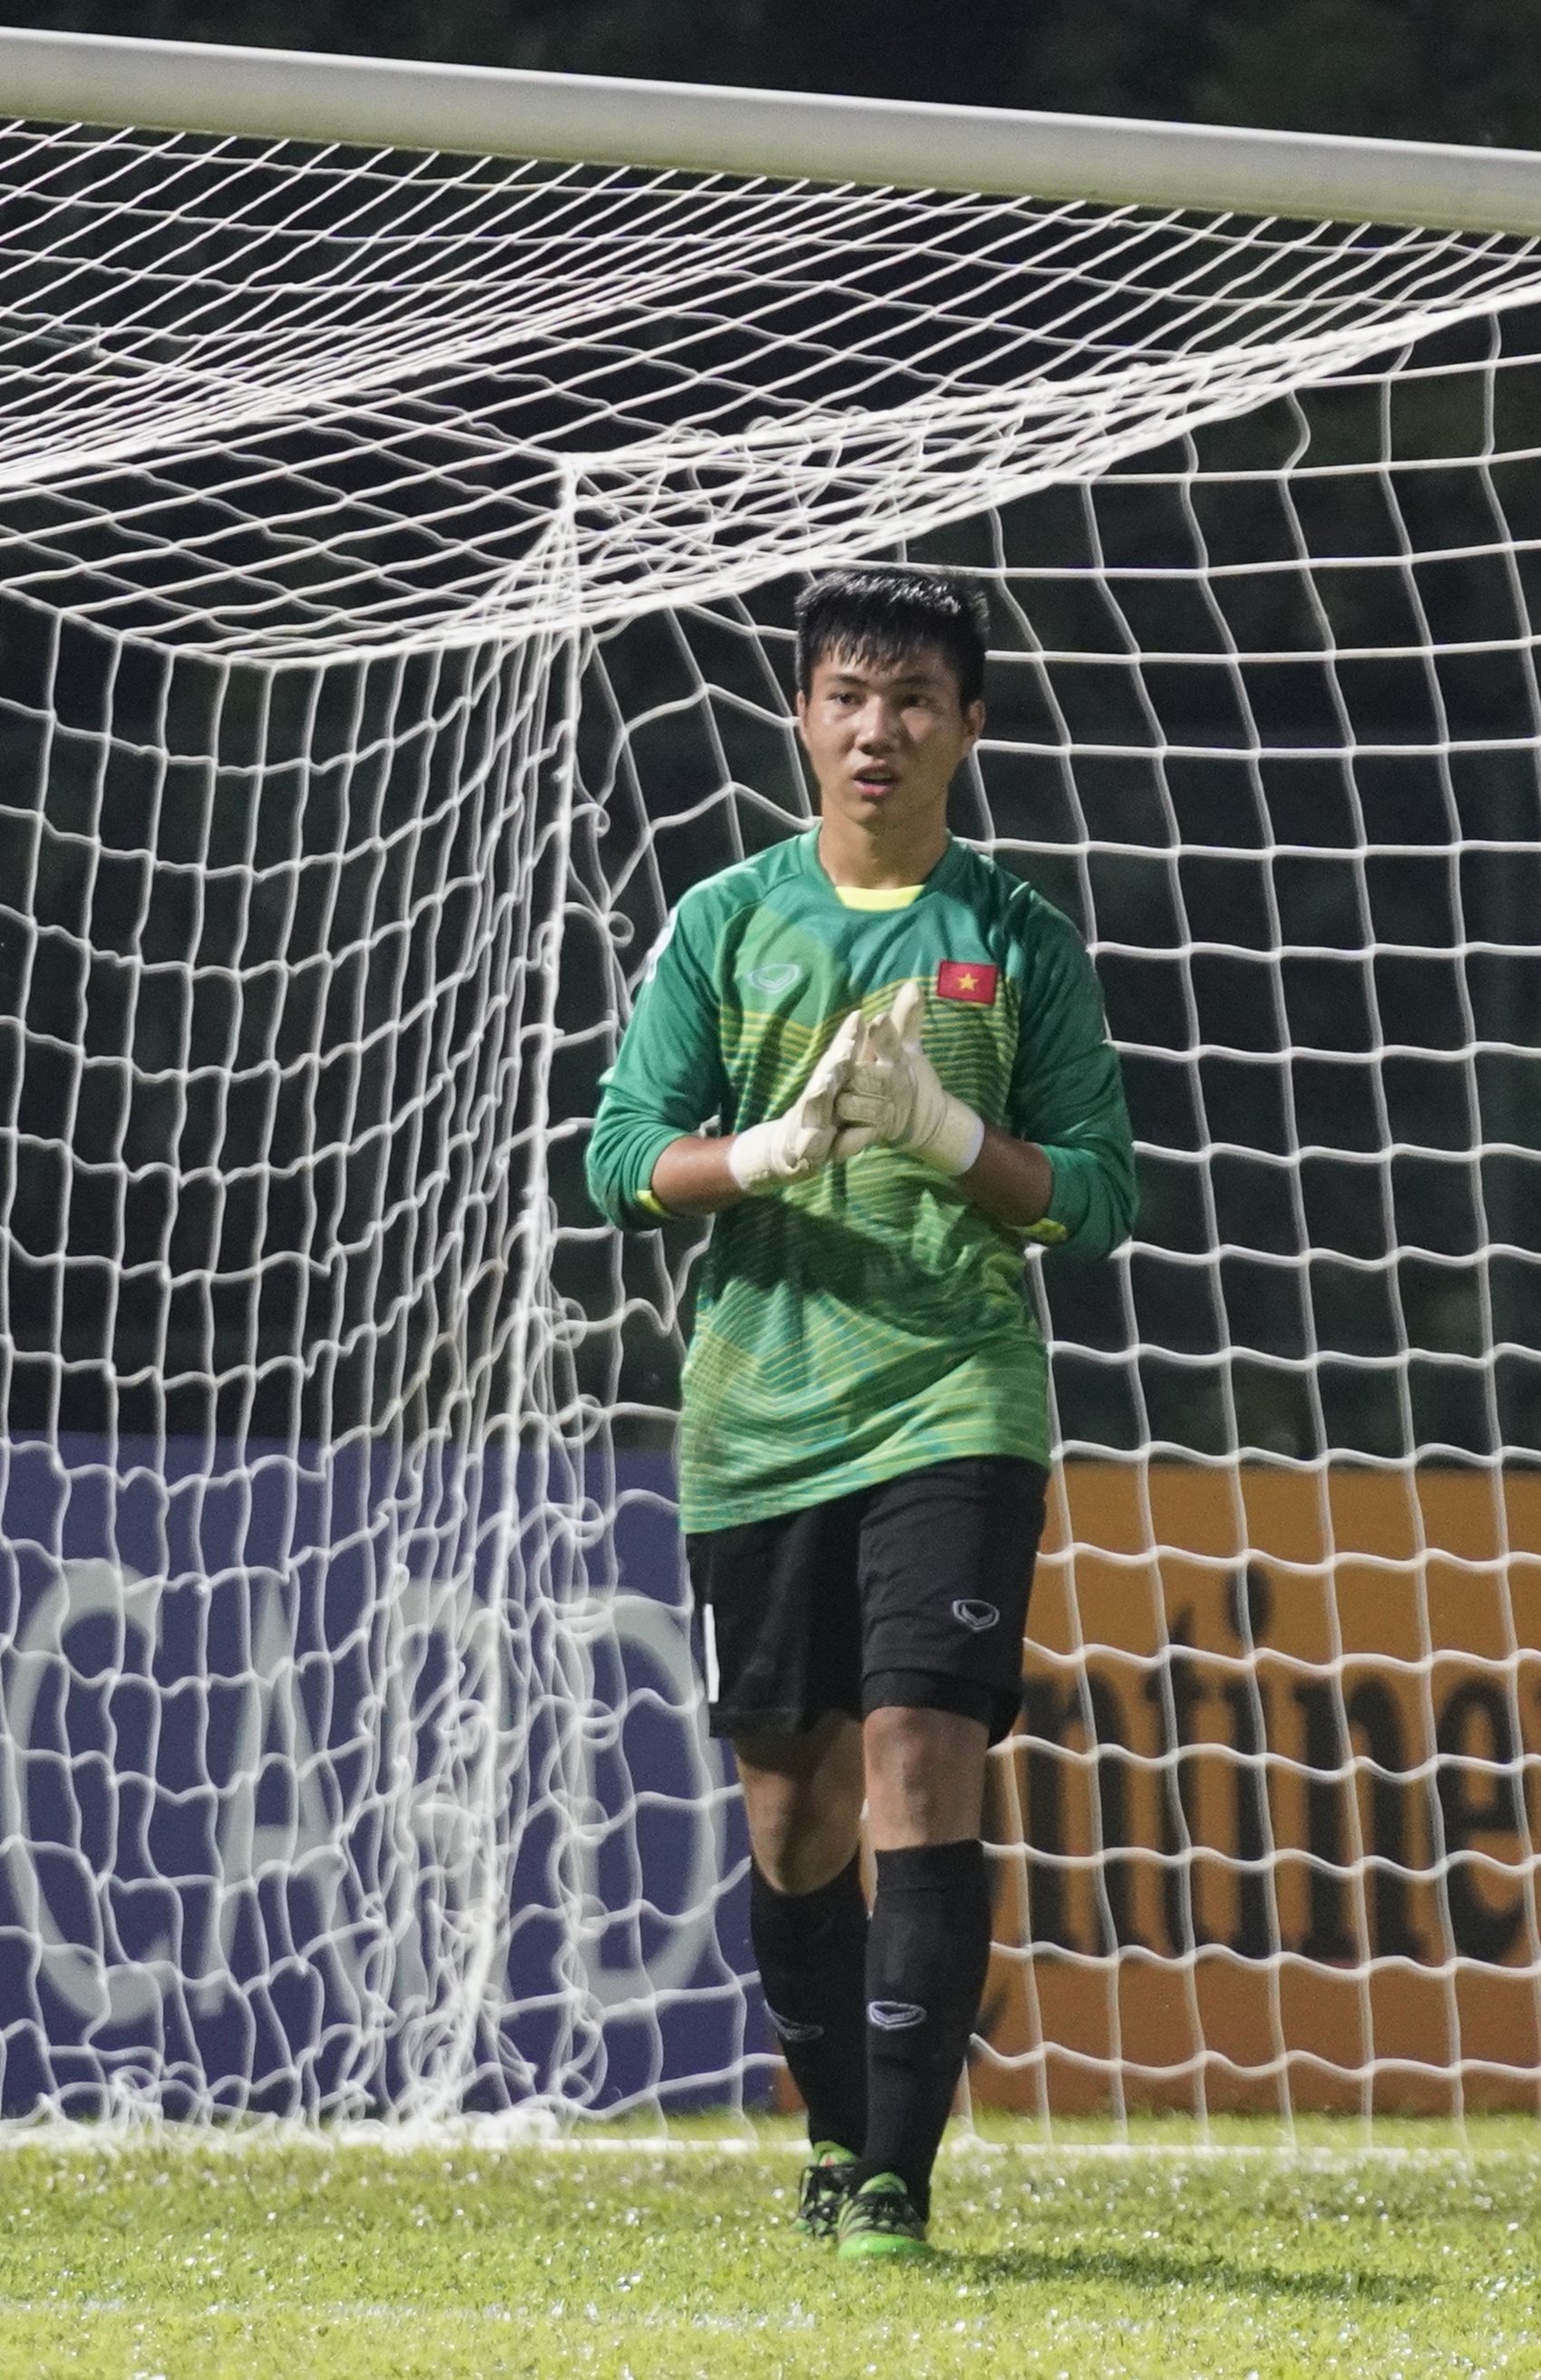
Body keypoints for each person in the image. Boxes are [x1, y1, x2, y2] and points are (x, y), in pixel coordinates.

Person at [585, 565, 1136, 2260]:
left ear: (969, 725)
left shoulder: (1021, 942)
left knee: (920, 1752)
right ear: (804, 720)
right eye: (845, 695)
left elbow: (1097, 1198)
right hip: (760, 1415)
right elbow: (620, 1161)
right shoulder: (726, 920)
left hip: (955, 1402)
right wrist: (767, 1153)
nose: (875, 727)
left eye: (910, 699)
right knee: (792, 1806)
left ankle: (898, 2181)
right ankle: (837, 2135)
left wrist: (948, 1140)